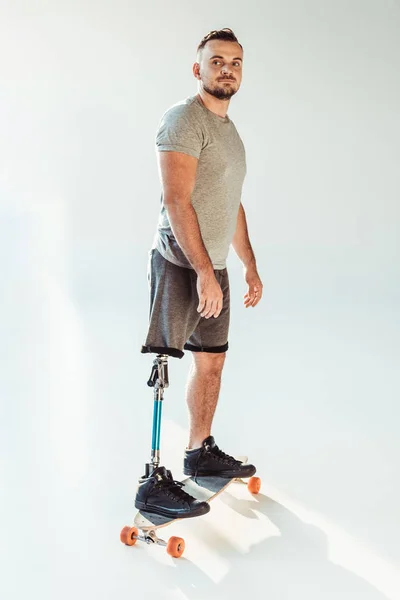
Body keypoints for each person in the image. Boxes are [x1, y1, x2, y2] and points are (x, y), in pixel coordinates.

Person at [135, 28, 263, 519]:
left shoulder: (229, 132)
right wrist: (203, 274)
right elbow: (176, 200)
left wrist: (248, 263)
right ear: (198, 69)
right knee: (165, 362)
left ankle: (198, 451)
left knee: (212, 361)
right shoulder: (183, 121)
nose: (226, 68)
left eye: (234, 62)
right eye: (216, 61)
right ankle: (151, 481)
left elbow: (230, 204)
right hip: (179, 263)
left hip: (217, 266)